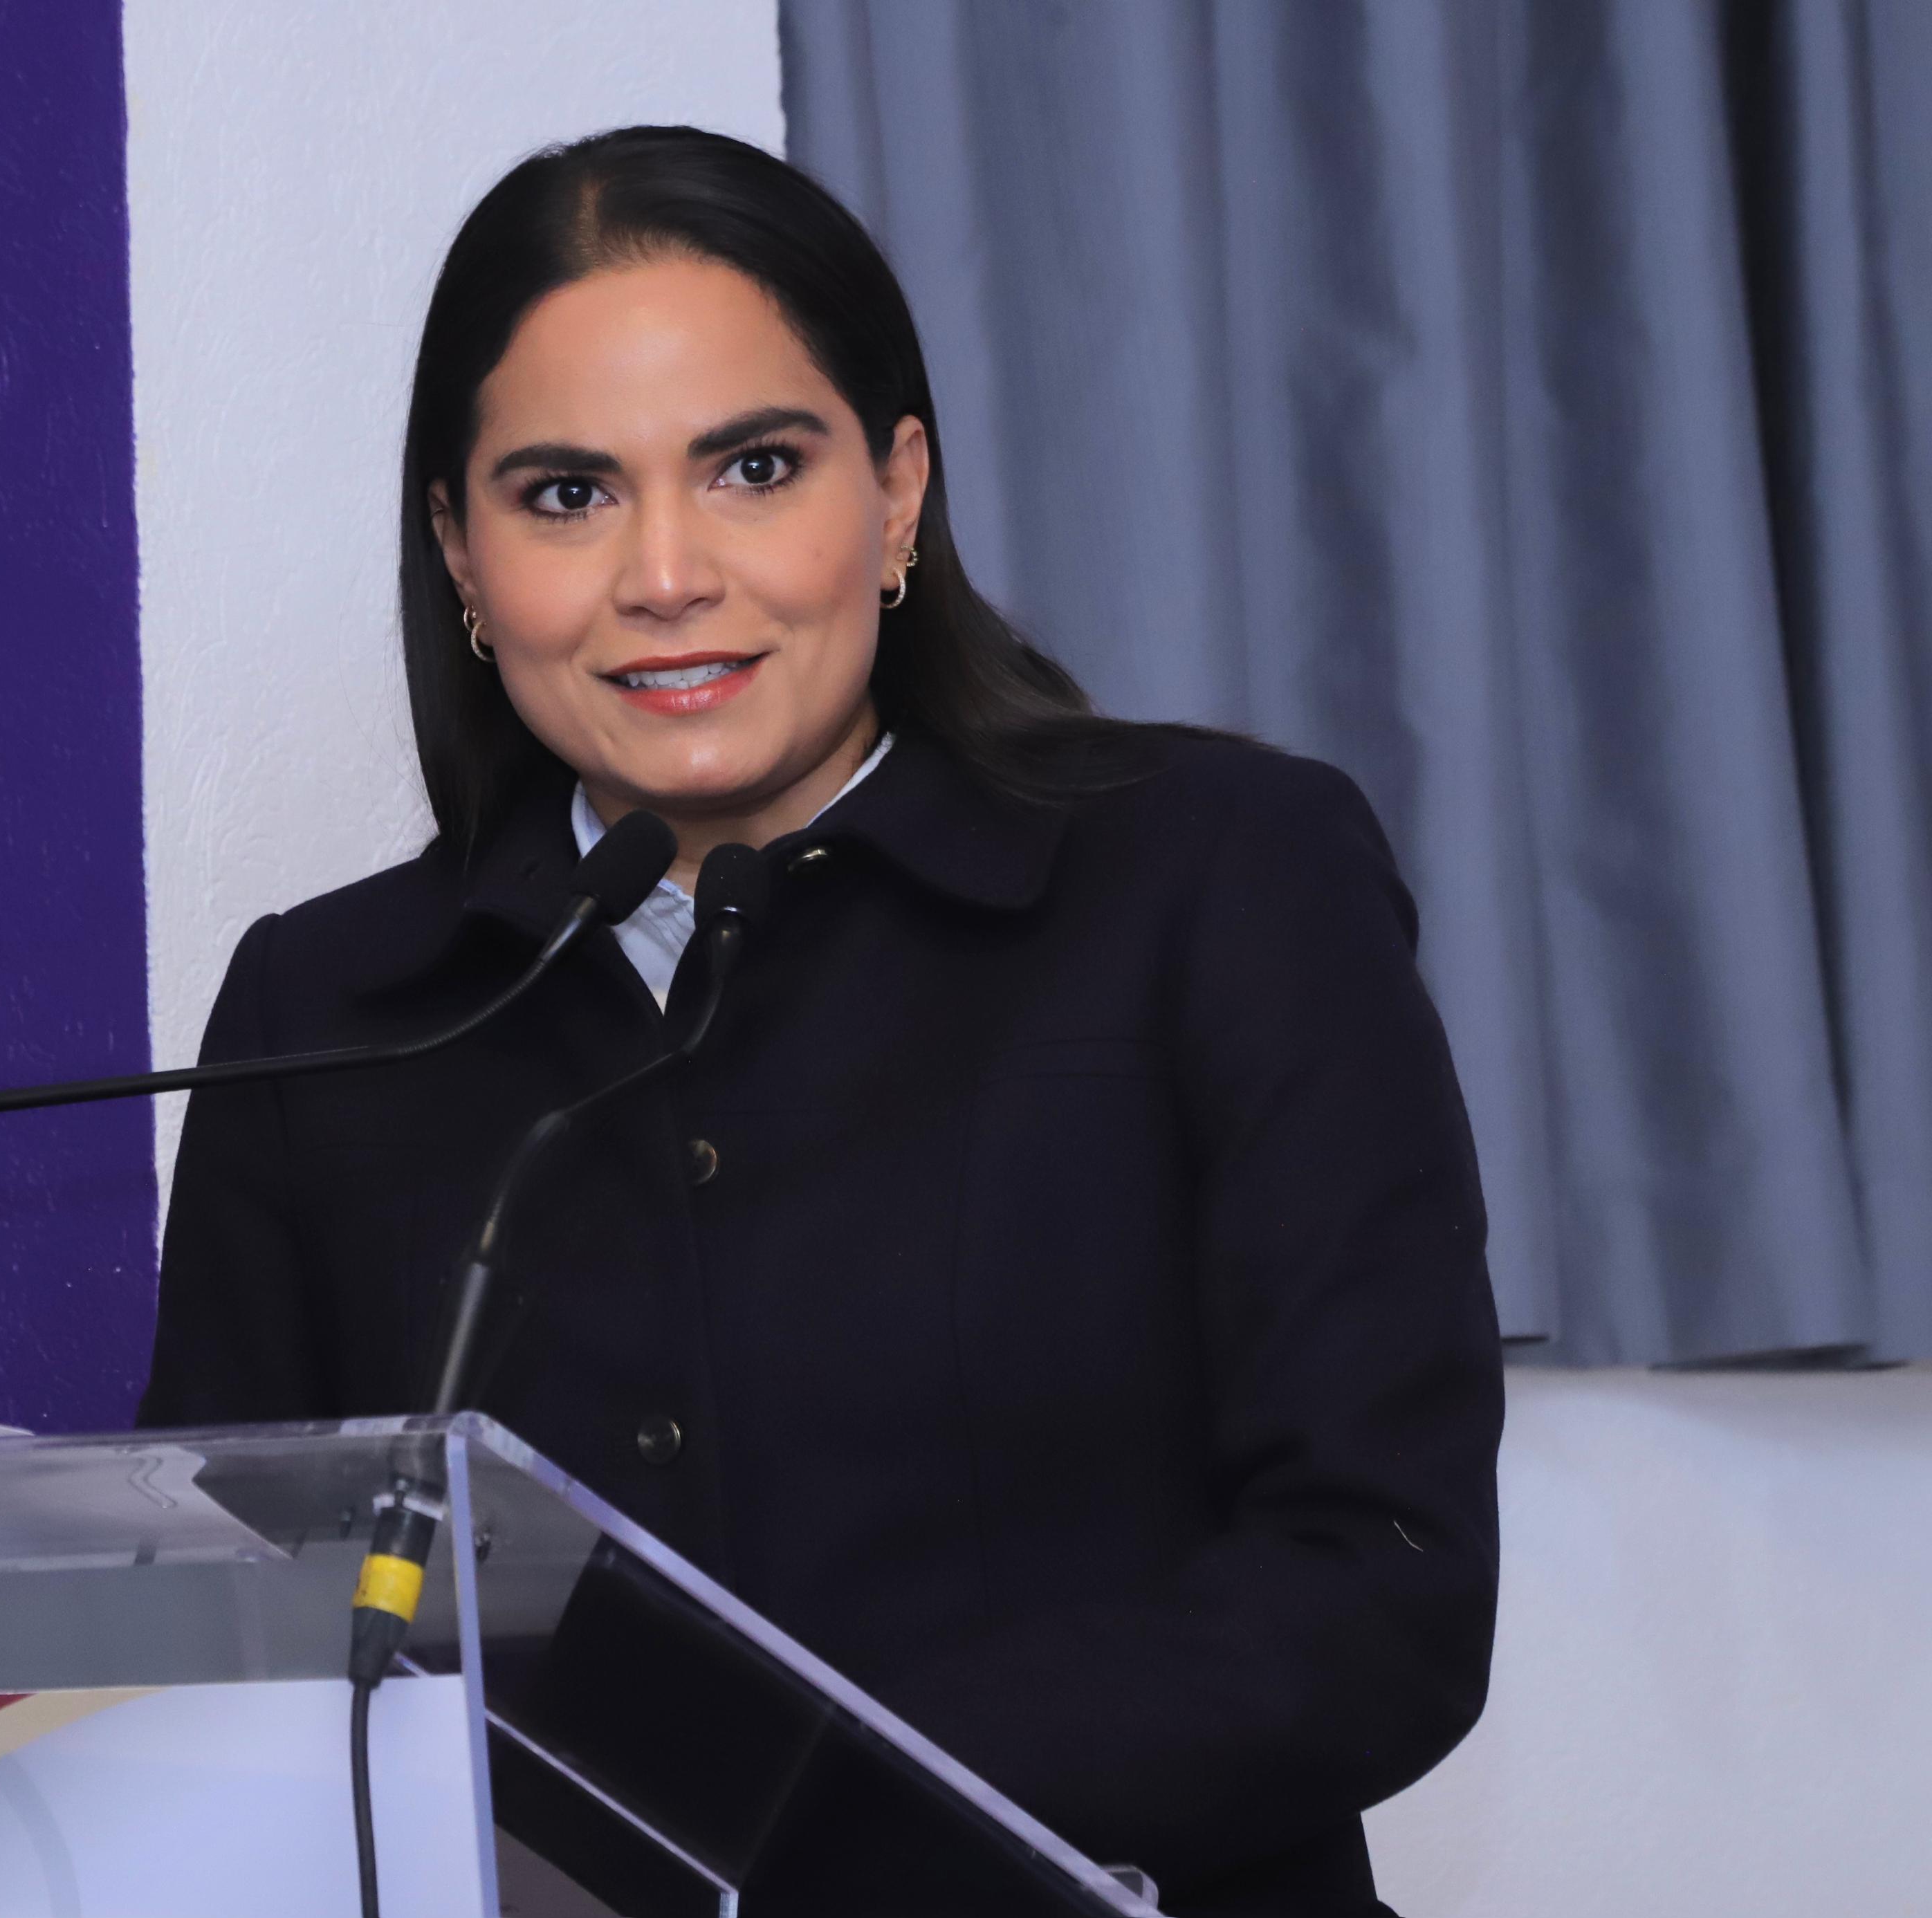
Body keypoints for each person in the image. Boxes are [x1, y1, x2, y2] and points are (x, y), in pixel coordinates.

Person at [139, 126, 1500, 1917]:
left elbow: (1378, 1581)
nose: (667, 573)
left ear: (898, 493)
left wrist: (800, 1802)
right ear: (461, 555)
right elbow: (236, 1629)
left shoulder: (1223, 880)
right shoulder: (331, 1008)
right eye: (566, 495)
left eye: (755, 468)